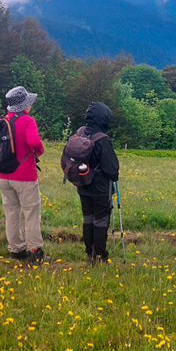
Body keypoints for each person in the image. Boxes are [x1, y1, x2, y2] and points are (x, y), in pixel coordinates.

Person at [0, 86, 47, 263]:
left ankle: (16, 250)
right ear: (25, 105)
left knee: (11, 213)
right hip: (24, 176)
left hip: (3, 176)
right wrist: (39, 151)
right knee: (31, 213)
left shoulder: (4, 120)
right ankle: (34, 251)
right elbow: (35, 143)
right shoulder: (28, 121)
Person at [76, 102, 119, 262]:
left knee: (88, 218)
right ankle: (99, 255)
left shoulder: (80, 133)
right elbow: (112, 170)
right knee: (100, 220)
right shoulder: (102, 140)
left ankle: (89, 252)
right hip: (100, 188)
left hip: (82, 184)